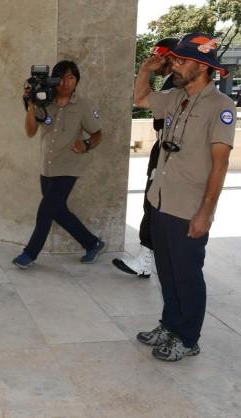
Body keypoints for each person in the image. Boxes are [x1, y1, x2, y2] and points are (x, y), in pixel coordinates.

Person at [133, 33, 235, 361]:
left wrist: (205, 212)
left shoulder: (221, 107)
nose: (174, 64)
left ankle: (188, 338)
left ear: (202, 66)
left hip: (189, 207)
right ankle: (170, 325)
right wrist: (145, 70)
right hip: (161, 199)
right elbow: (141, 98)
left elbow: (220, 165)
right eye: (174, 59)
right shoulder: (175, 97)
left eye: (181, 60)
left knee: (187, 275)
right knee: (166, 271)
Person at [13, 60, 105, 269]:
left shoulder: (83, 106)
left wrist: (86, 144)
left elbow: (98, 133)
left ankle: (30, 254)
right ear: (53, 80)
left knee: (45, 211)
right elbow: (30, 131)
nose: (65, 82)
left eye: (71, 77)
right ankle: (93, 243)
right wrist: (30, 105)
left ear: (76, 81)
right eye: (61, 77)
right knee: (59, 212)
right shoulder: (44, 102)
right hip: (47, 167)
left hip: (68, 167)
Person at [113, 37, 179, 278]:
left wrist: (144, 71)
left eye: (159, 55)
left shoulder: (178, 84)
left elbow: (141, 99)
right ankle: (149, 258)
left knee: (154, 202)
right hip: (164, 147)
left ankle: (146, 260)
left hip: (170, 151)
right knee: (154, 201)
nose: (154, 60)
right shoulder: (173, 82)